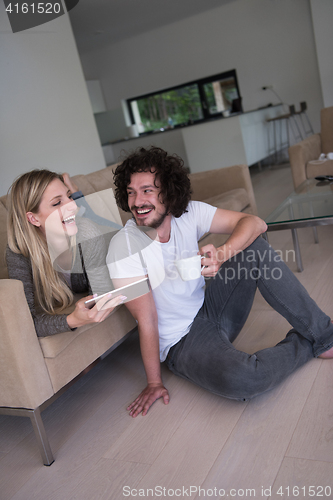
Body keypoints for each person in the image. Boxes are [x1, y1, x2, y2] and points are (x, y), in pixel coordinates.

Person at [107, 146, 333, 418]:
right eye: (131, 192)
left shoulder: (189, 213)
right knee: (246, 380)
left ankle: (324, 334)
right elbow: (147, 321)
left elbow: (256, 223)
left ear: (168, 190)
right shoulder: (124, 247)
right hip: (183, 342)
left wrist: (223, 255)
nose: (137, 201)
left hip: (212, 306)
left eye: (147, 190)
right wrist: (154, 382)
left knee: (254, 247)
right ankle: (310, 342)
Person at [6, 169, 125, 337]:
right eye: (56, 203)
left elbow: (100, 293)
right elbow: (25, 322)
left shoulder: (87, 232)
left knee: (116, 231)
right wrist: (72, 320)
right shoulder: (18, 253)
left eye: (69, 197)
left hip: (113, 243)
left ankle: (76, 192)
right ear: (33, 219)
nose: (73, 206)